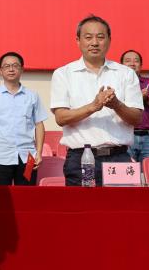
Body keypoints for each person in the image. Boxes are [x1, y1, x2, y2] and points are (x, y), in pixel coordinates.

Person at [50, 15, 143, 186]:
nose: (94, 43)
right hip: (83, 159)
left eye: (100, 37)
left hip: (119, 158)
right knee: (85, 203)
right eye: (88, 37)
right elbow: (61, 118)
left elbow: (137, 119)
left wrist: (117, 105)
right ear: (78, 41)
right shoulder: (63, 74)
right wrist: (93, 106)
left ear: (109, 40)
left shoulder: (126, 74)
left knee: (121, 203)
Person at [0, 51, 48, 186]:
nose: (11, 69)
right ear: (0, 71)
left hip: (28, 158)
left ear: (22, 69)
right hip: (0, 157)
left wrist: (39, 153)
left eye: (15, 66)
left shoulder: (32, 95)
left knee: (27, 195)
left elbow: (39, 125)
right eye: (7, 66)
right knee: (0, 196)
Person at [121, 50, 149, 163]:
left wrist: (147, 98)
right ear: (121, 65)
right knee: (127, 172)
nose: (132, 63)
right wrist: (137, 98)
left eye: (136, 61)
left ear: (141, 65)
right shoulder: (117, 84)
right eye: (128, 61)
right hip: (126, 135)